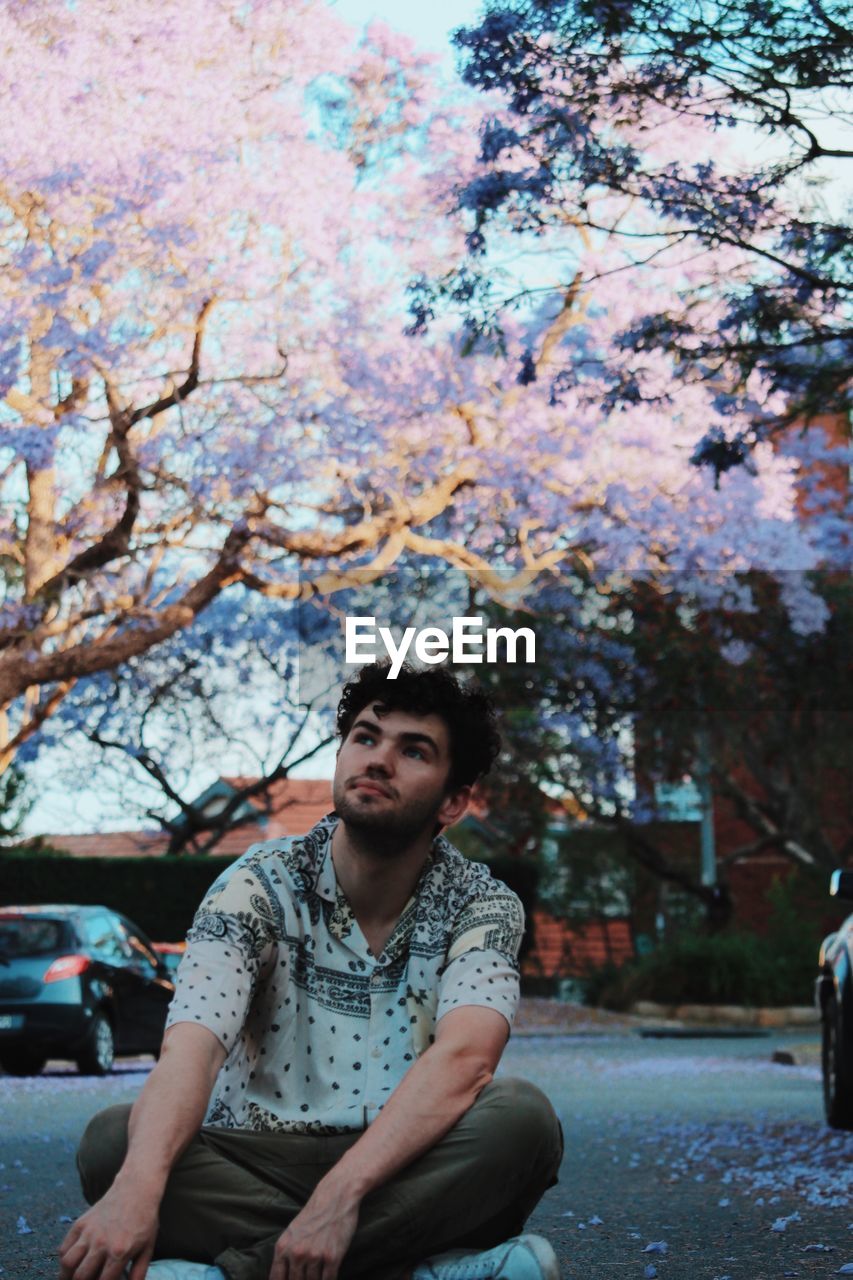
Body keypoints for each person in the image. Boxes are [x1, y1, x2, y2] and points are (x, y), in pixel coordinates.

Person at [58, 662, 563, 1280]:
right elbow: (193, 1044)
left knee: (523, 1122)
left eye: (414, 750)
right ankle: (416, 1271)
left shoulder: (482, 905)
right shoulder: (258, 883)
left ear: (454, 799)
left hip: (411, 1159)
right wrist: (136, 1187)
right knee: (115, 1145)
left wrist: (338, 1199)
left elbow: (467, 1060)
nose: (378, 760)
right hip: (258, 1159)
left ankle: (237, 1273)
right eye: (366, 736)